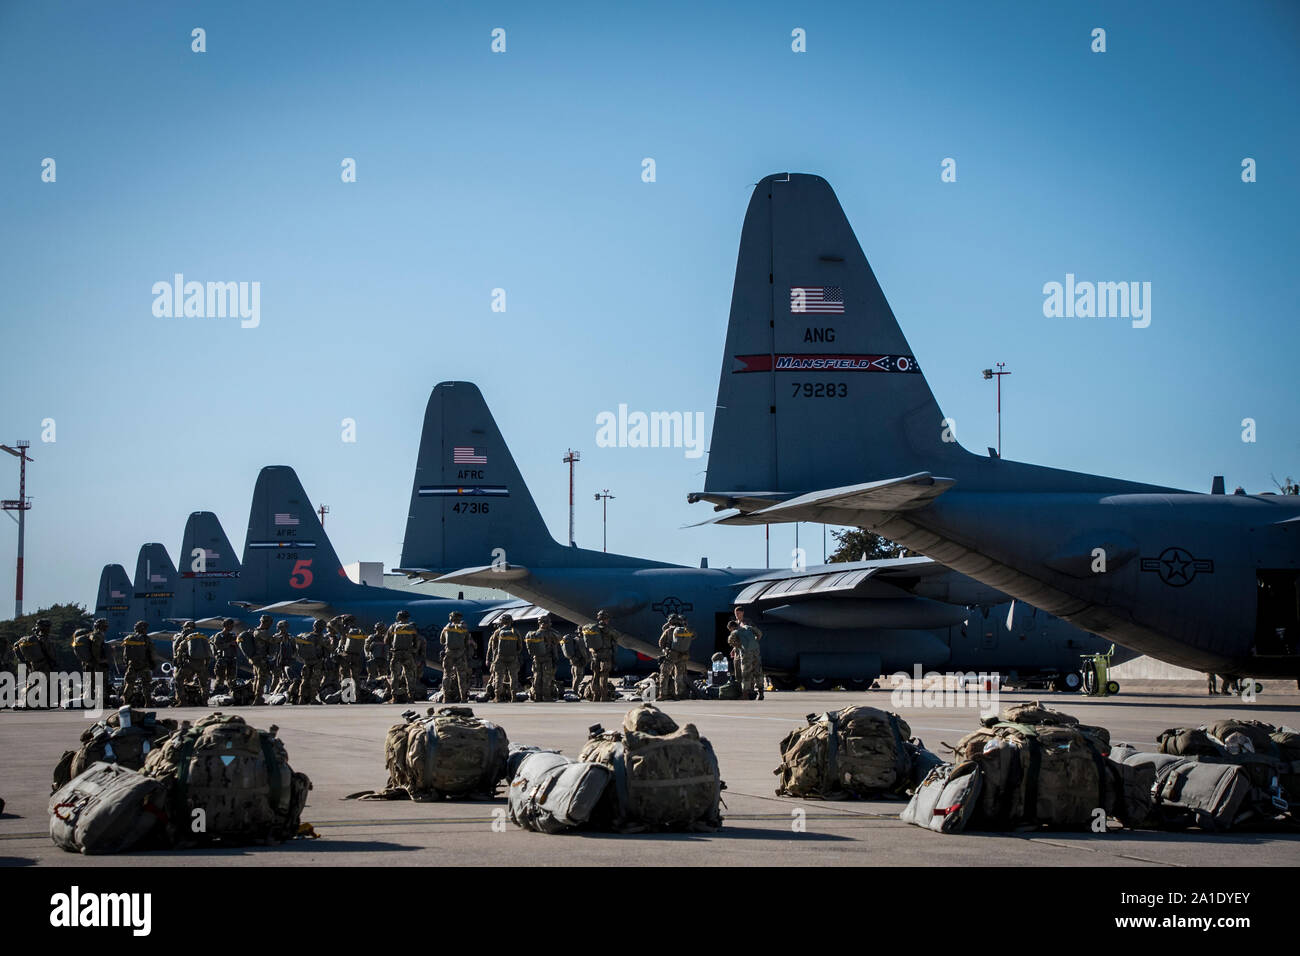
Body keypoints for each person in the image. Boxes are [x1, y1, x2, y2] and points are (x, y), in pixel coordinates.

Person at [582, 609, 620, 702]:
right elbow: (617, 635)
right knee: (604, 676)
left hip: (595, 655)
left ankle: (595, 696)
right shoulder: (607, 629)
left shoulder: (593, 628)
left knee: (595, 676)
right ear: (606, 619)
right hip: (605, 655)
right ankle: (604, 696)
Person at [387, 610, 423, 702]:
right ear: (407, 618)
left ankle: (394, 697)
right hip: (408, 654)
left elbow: (386, 640)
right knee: (410, 676)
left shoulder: (393, 626)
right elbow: (417, 640)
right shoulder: (411, 627)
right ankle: (411, 697)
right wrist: (414, 650)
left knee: (395, 675)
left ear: (398, 617)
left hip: (396, 653)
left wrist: (391, 648)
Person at [329, 614, 367, 699]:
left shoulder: (344, 629)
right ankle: (357, 696)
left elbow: (331, 623)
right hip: (356, 656)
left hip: (345, 656)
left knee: (345, 676)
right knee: (356, 676)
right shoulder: (360, 630)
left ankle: (346, 697)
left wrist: (339, 617)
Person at [294, 620, 332, 704]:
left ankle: (301, 698)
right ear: (322, 627)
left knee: (304, 680)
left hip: (307, 662)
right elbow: (329, 648)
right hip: (317, 662)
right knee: (315, 681)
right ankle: (312, 699)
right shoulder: (322, 637)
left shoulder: (306, 635)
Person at [729, 610, 765, 700]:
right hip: (756, 652)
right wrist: (755, 641)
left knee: (746, 674)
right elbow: (760, 634)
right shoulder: (749, 627)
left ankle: (745, 695)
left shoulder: (735, 632)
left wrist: (739, 646)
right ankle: (761, 693)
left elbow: (730, 641)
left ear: (732, 628)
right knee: (758, 672)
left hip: (746, 654)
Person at [439, 611, 474, 703]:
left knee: (446, 675)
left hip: (449, 654)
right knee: (461, 677)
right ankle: (463, 698)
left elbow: (442, 641)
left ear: (451, 618)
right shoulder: (464, 629)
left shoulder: (446, 628)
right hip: (460, 655)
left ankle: (445, 697)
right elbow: (466, 642)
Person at [525, 613, 561, 701]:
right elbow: (559, 639)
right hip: (547, 658)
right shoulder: (550, 633)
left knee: (537, 677)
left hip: (536, 658)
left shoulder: (534, 634)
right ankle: (546, 696)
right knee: (546, 678)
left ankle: (537, 696)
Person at [121, 621, 157, 707]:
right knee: (146, 684)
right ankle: (148, 703)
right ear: (143, 629)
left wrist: (127, 663)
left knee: (129, 683)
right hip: (144, 665)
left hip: (132, 664)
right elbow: (152, 652)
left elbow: (125, 654)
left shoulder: (128, 638)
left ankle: (125, 702)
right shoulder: (147, 639)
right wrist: (153, 663)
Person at [487, 613, 522, 701]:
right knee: (513, 677)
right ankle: (513, 697)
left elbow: (492, 646)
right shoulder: (515, 631)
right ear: (511, 621)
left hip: (500, 657)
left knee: (498, 677)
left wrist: (490, 658)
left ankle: (497, 696)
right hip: (513, 657)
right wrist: (515, 654)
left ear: (501, 622)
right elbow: (520, 646)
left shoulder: (497, 632)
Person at [659, 614, 694, 700]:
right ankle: (680, 694)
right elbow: (693, 636)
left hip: (671, 655)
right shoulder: (685, 631)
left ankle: (663, 694)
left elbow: (661, 643)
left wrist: (665, 649)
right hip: (683, 655)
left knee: (664, 674)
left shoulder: (668, 630)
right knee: (680, 675)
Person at [185, 624, 213, 699]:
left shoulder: (186, 637)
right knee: (203, 683)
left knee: (184, 681)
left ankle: (187, 699)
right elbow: (208, 652)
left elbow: (180, 650)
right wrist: (206, 664)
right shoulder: (202, 637)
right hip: (201, 664)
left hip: (190, 663)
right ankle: (204, 700)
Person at [212, 618, 240, 689]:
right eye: (230, 625)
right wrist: (229, 644)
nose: (232, 627)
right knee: (220, 679)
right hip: (222, 659)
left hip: (232, 659)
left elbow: (238, 645)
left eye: (232, 626)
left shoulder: (233, 635)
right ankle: (218, 690)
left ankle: (232, 691)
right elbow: (217, 646)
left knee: (232, 679)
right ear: (225, 626)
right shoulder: (219, 635)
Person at [561, 628, 588, 694]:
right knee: (579, 677)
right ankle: (574, 692)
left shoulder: (575, 639)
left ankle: (574, 691)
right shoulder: (580, 640)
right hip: (579, 661)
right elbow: (583, 651)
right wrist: (586, 658)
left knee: (575, 677)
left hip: (573, 661)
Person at [367, 621, 391, 688]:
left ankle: (382, 689)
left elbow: (390, 647)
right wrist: (368, 655)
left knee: (383, 676)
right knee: (371, 675)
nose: (381, 630)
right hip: (373, 659)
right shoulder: (372, 637)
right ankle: (370, 688)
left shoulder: (386, 638)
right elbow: (366, 647)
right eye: (380, 629)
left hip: (383, 659)